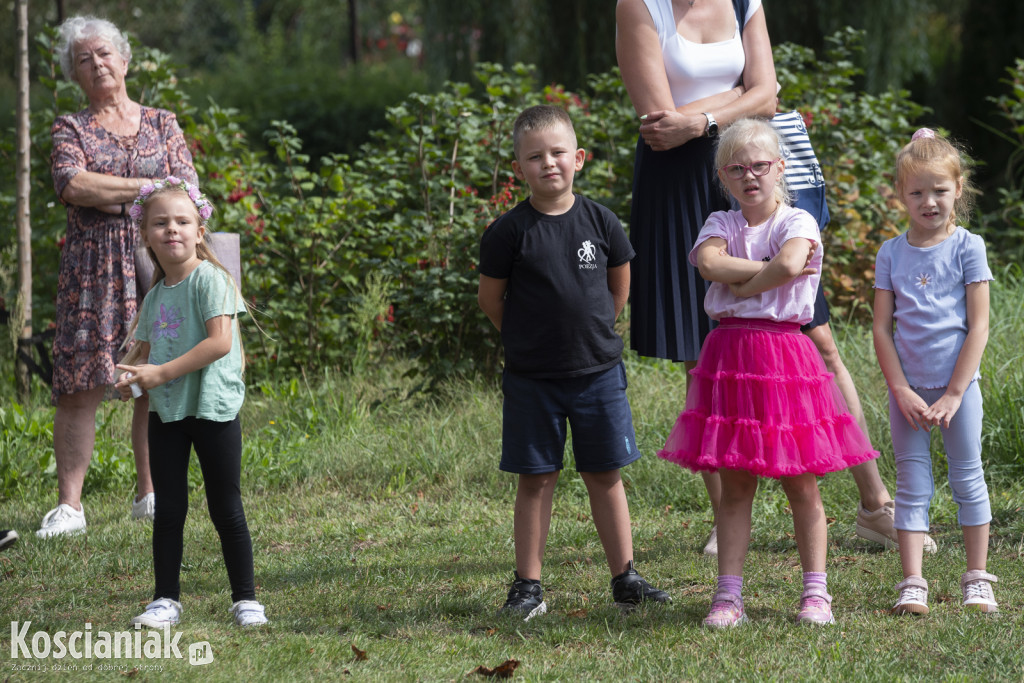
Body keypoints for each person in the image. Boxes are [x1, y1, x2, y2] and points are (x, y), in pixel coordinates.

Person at [615, 0, 923, 555]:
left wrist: (704, 118)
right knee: (703, 353)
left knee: (818, 340)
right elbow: (663, 123)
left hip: (752, 168)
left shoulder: (742, 1)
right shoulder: (639, 6)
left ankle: (875, 505)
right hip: (679, 187)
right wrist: (738, 100)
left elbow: (768, 96)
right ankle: (726, 514)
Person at [658, 118, 879, 627]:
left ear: (780, 167)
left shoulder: (798, 220)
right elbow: (713, 265)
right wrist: (756, 276)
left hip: (786, 357)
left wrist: (743, 281)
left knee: (801, 483)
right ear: (723, 176)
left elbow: (791, 263)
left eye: (760, 165)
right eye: (737, 169)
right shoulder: (720, 222)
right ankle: (728, 595)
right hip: (730, 360)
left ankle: (816, 592)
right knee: (736, 486)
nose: (750, 176)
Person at [477, 105, 670, 620]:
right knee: (536, 478)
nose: (549, 164)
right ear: (519, 168)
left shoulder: (600, 220)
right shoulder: (508, 233)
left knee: (604, 474)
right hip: (532, 380)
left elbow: (618, 281)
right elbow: (491, 301)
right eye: (535, 157)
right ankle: (528, 586)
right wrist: (526, 340)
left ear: (578, 158)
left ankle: (626, 577)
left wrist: (596, 329)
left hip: (597, 375)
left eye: (558, 153)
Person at [39, 15, 198, 538]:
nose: (97, 64)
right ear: (75, 76)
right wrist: (151, 187)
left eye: (104, 54)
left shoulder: (162, 122)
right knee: (80, 384)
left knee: (154, 379)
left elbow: (189, 189)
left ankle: (150, 493)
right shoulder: (70, 128)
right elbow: (74, 183)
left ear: (125, 61)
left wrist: (135, 191)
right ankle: (70, 507)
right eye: (84, 60)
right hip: (93, 270)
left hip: (161, 264)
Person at [113, 177, 267, 628]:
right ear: (145, 236)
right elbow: (138, 354)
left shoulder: (212, 279)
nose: (172, 230)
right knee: (169, 510)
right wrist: (130, 380)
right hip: (168, 413)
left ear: (200, 231)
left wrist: (158, 373)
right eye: (160, 223)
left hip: (213, 410)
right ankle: (165, 600)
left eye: (183, 221)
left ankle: (246, 599)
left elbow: (219, 343)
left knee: (226, 506)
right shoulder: (155, 296)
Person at [872, 128, 997, 615]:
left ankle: (977, 578)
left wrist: (954, 393)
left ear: (958, 189)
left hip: (959, 393)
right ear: (900, 193)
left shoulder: (969, 247)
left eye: (939, 191)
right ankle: (912, 583)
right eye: (917, 192)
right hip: (909, 395)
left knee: (969, 477)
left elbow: (979, 327)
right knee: (911, 483)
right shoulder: (890, 253)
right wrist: (900, 389)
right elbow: (882, 329)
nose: (929, 202)